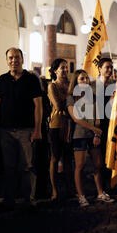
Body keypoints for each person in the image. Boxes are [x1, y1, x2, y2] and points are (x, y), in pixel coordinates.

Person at [0, 47, 42, 212]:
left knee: (27, 166)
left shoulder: (32, 79)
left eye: (17, 57)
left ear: (22, 59)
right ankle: (10, 200)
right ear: (7, 60)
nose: (14, 60)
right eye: (10, 57)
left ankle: (29, 200)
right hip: (5, 131)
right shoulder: (2, 80)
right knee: (9, 166)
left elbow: (38, 106)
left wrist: (37, 129)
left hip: (26, 130)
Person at [67, 69, 114, 207]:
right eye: (81, 79)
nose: (85, 81)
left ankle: (100, 192)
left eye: (86, 78)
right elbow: (76, 119)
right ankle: (81, 196)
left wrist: (96, 134)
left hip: (93, 135)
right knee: (80, 166)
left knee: (98, 164)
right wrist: (94, 129)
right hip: (80, 135)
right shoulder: (71, 97)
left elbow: (98, 116)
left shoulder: (93, 96)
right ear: (75, 81)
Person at [47, 58, 73, 201]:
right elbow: (58, 106)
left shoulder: (70, 85)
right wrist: (71, 99)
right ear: (55, 70)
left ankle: (70, 189)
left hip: (70, 124)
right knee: (55, 158)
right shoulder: (52, 86)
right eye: (62, 67)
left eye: (66, 67)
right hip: (56, 125)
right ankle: (55, 190)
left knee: (68, 159)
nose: (65, 70)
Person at [91, 58, 115, 191]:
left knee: (109, 157)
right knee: (98, 161)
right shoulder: (93, 86)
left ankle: (110, 186)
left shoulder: (114, 86)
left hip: (111, 126)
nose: (109, 70)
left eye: (111, 67)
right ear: (100, 69)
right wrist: (95, 131)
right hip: (97, 127)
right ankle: (100, 189)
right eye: (107, 67)